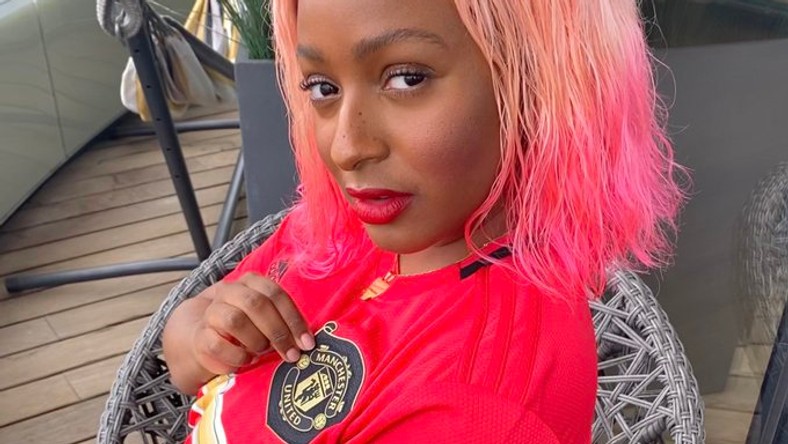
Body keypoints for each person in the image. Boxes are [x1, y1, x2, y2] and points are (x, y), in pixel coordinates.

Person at [162, 0, 686, 442]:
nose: (347, 148)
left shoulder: (475, 405)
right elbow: (184, 357)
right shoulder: (347, 225)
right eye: (322, 88)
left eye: (406, 78)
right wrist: (206, 337)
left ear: (541, 83)